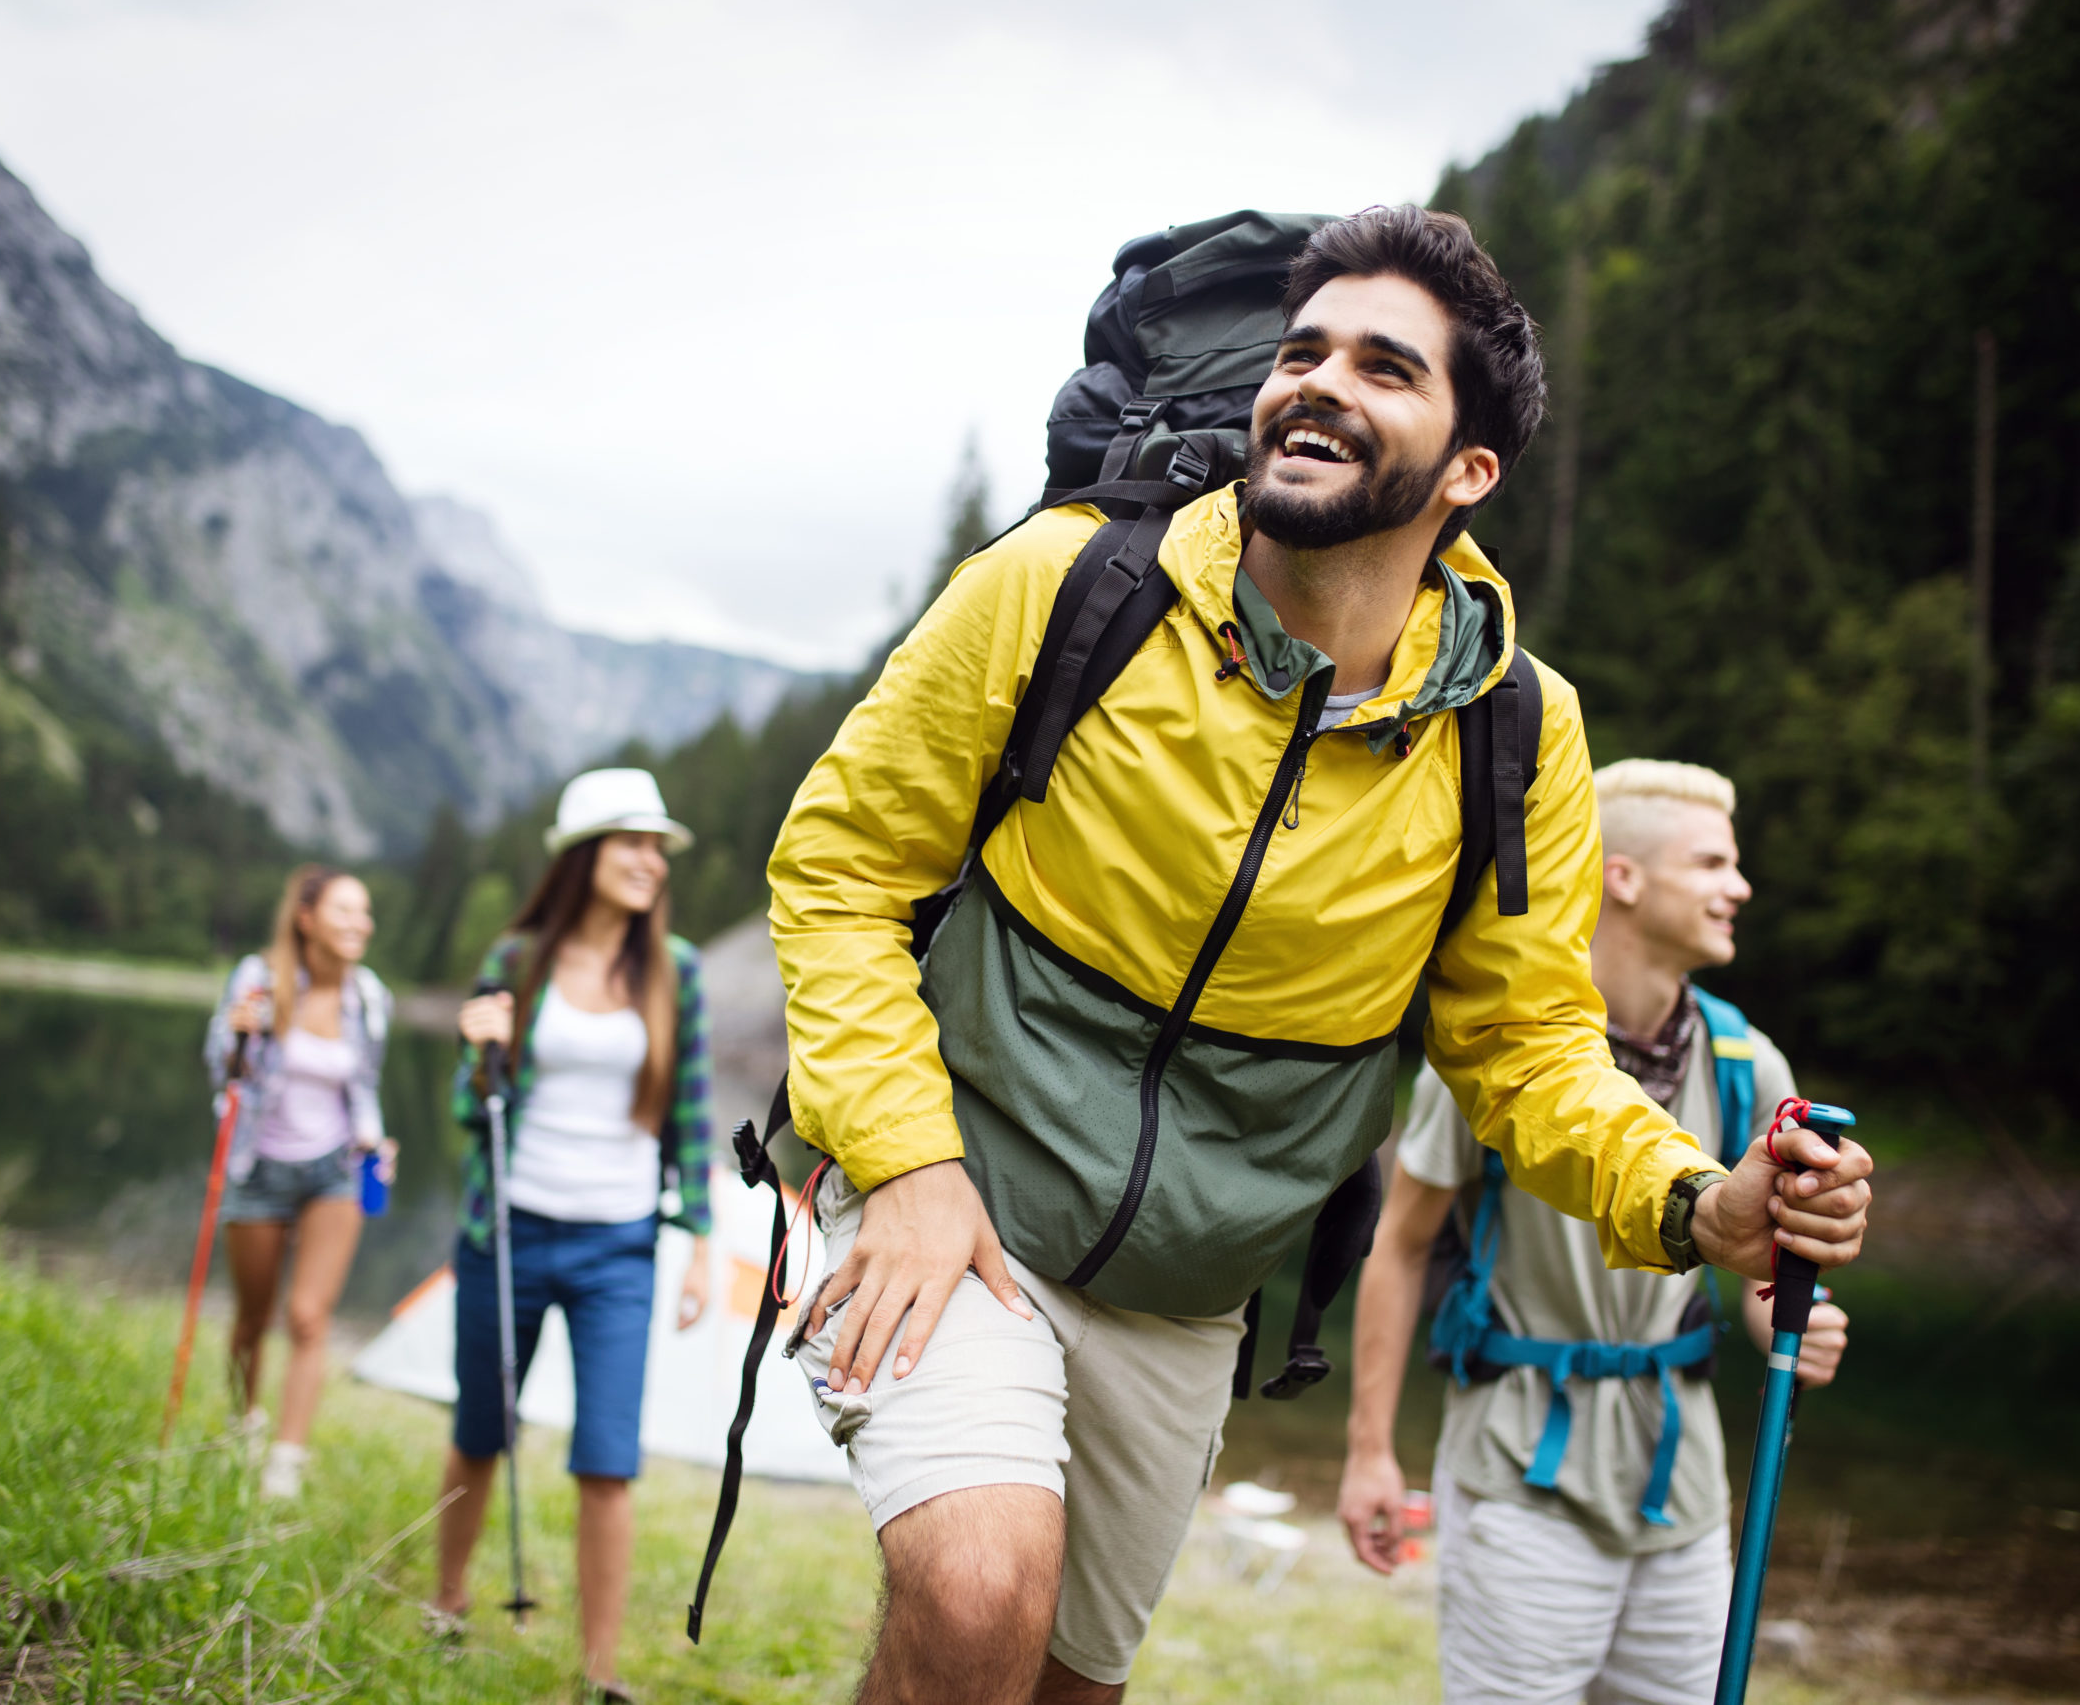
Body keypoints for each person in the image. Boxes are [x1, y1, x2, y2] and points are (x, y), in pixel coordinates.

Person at [764, 205, 1875, 1705]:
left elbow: (1528, 1047)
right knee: (975, 1594)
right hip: (958, 1192)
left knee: (1066, 1682)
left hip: (1184, 1289)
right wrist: (901, 1160)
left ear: (1469, 470)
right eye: (1302, 349)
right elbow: (841, 865)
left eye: (1383, 365)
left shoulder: (1514, 728)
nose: (1318, 382)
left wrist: (1696, 1199)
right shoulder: (1067, 582)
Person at [1337, 757, 1854, 1703]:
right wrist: (1372, 1447)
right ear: (1625, 876)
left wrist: (1789, 1320)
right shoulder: (1504, 1057)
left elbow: (1759, 1281)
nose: (1739, 887)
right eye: (1711, 863)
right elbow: (1401, 1241)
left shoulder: (1751, 1064)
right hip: (1520, 1468)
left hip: (1683, 1486)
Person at [427, 768, 713, 1704]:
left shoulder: (680, 972)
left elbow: (694, 1114)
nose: (648, 859)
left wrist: (701, 1240)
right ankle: (448, 1599)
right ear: (584, 854)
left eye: (656, 845)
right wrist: (477, 1053)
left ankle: (601, 1673)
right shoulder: (516, 963)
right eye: (630, 840)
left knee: (608, 1456)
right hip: (507, 1231)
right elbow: (474, 1112)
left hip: (619, 1247)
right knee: (480, 1428)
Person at [204, 863, 395, 1502]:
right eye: (344, 911)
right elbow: (221, 1070)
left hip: (334, 1172)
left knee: (309, 1316)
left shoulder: (369, 997)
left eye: (364, 913)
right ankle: (242, 1424)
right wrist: (238, 1033)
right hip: (257, 1168)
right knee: (252, 1319)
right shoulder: (260, 980)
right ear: (307, 919)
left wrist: (375, 1139)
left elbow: (364, 1084)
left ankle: (286, 1460)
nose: (359, 924)